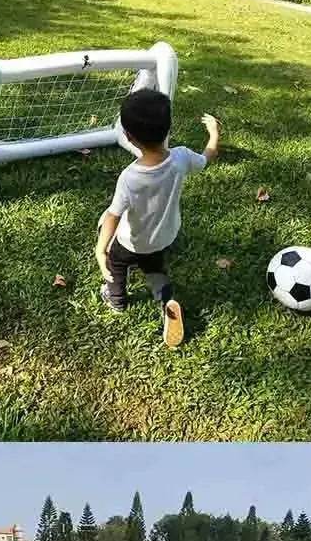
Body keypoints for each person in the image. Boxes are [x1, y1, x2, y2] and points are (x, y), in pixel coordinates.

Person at [94, 88, 222, 347]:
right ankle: (164, 297)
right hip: (164, 237)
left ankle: (116, 298)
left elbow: (112, 216)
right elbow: (208, 157)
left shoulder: (130, 177)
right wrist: (214, 133)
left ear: (129, 137)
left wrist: (100, 248)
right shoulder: (182, 157)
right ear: (168, 128)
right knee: (154, 265)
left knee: (117, 265)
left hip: (130, 242)